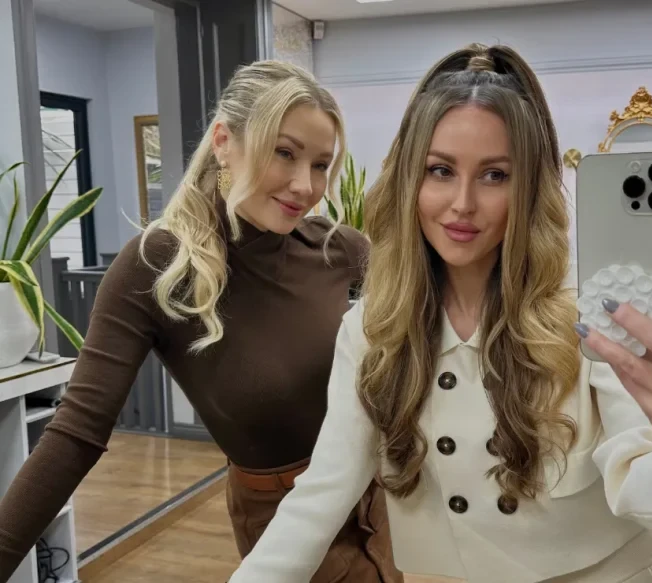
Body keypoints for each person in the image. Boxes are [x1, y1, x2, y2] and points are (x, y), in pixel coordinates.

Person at [227, 44, 652, 583]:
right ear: (410, 178)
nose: (462, 203)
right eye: (440, 170)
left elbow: (642, 475)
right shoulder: (373, 331)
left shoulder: (589, 314)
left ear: (528, 188)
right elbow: (324, 492)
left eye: (495, 175)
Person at [0, 61, 402, 583]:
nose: (305, 186)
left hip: (371, 499)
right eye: (284, 152)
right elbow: (75, 434)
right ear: (223, 142)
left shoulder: (337, 248)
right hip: (285, 520)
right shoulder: (155, 265)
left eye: (321, 164)